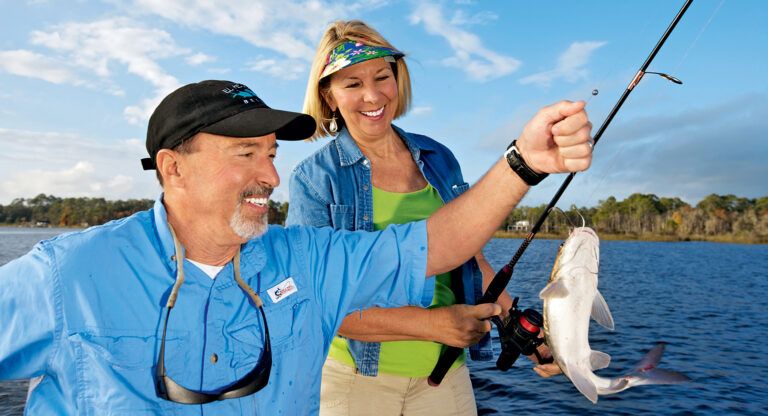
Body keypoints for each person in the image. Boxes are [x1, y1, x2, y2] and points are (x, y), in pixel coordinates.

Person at [0, 77, 592, 415]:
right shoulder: (68, 274)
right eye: (245, 154)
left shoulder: (307, 257)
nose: (272, 176)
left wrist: (523, 163)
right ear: (172, 167)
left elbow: (436, 244)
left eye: (272, 153)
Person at [287, 20, 561, 415]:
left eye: (383, 76)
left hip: (444, 375)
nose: (372, 95)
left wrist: (519, 326)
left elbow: (474, 260)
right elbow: (318, 302)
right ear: (328, 97)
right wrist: (433, 325)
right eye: (351, 84)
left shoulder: (440, 158)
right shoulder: (314, 180)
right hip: (353, 382)